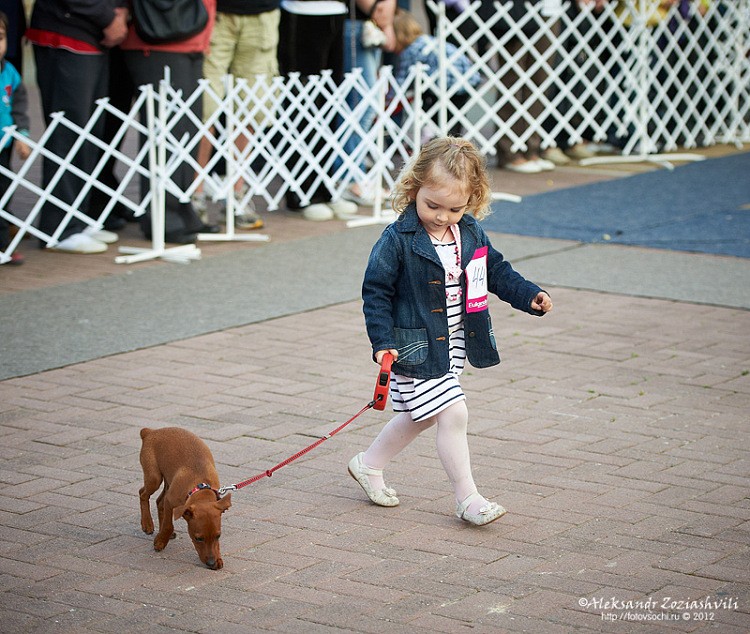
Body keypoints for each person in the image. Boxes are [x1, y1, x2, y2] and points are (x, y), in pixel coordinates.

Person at [350, 137, 553, 525]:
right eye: (433, 206)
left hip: (454, 342)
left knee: (423, 415)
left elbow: (496, 271)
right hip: (415, 346)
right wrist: (382, 342)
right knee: (453, 412)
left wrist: (529, 294)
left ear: (472, 200)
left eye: (455, 209)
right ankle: (468, 499)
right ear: (414, 189)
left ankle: (368, 464)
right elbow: (376, 291)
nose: (443, 217)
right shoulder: (397, 239)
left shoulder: (470, 232)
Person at [26, 0, 129, 253]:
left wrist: (120, 11)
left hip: (93, 36)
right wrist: (108, 17)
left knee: (89, 134)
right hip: (67, 32)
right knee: (68, 134)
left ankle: (77, 218)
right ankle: (59, 227)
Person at [120, 0, 221, 244]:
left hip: (193, 38)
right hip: (158, 37)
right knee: (165, 133)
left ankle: (182, 207)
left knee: (188, 131)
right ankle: (162, 215)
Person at [193, 0, 281, 230]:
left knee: (251, 107)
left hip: (262, 13)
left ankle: (236, 196)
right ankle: (195, 195)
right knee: (204, 109)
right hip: (215, 13)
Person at [277, 0, 358, 221]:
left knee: (330, 106)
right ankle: (301, 192)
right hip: (302, 12)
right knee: (302, 108)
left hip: (336, 11)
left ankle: (325, 186)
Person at [338, 0, 396, 207]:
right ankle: (350, 178)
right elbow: (379, 9)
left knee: (365, 106)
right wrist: (386, 23)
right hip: (358, 25)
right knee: (361, 106)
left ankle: (355, 176)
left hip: (366, 26)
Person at [391, 8, 481, 138]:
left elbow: (401, 84)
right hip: (469, 78)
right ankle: (452, 143)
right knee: (455, 120)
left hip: (448, 82)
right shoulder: (428, 40)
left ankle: (438, 141)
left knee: (439, 118)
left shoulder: (410, 51)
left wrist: (387, 99)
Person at [0, 9, 30, 265]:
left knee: (3, 194)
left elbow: (19, 107)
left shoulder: (9, 71)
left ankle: (3, 247)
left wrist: (22, 135)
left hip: (4, 145)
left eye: (0, 38)